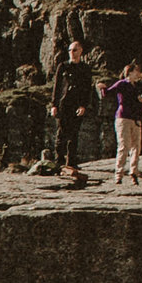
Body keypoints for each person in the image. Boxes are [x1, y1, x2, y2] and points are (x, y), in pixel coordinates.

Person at [51, 34, 96, 180]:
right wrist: (54, 105)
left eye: (75, 50)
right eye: (70, 50)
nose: (72, 52)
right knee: (61, 132)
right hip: (64, 104)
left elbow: (87, 89)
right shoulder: (63, 66)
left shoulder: (85, 68)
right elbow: (57, 87)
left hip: (77, 105)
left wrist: (84, 105)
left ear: (81, 51)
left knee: (74, 134)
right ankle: (58, 161)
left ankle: (71, 162)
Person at [107, 61, 142, 187]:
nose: (138, 74)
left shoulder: (137, 86)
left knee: (136, 146)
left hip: (135, 118)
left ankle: (133, 172)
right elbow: (109, 92)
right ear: (130, 72)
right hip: (123, 117)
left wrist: (141, 100)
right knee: (124, 145)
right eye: (136, 71)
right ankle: (119, 174)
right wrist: (102, 87)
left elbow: (140, 103)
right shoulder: (122, 84)